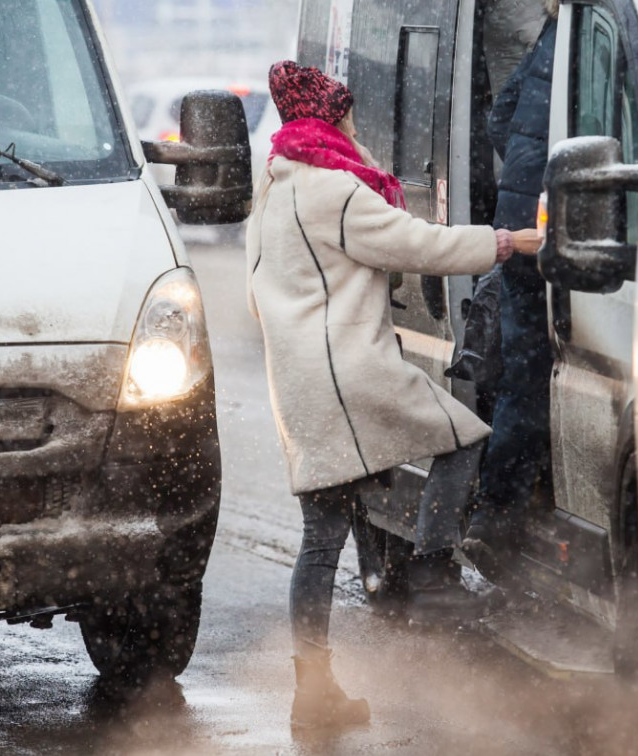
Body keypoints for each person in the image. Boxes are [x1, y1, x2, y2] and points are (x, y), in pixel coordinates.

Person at [246, 61, 540, 730]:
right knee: (462, 437)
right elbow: (414, 244)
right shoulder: (332, 187)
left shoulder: (275, 185)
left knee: (321, 540)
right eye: (345, 109)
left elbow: (257, 295)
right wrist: (500, 242)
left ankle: (313, 690)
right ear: (330, 115)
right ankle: (432, 572)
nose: (354, 120)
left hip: (301, 381)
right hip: (350, 373)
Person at [463, 0, 560, 566]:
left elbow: (500, 117)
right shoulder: (589, 36)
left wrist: (524, 175)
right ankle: (504, 515)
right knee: (539, 377)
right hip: (552, 229)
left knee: (522, 375)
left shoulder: (552, 35)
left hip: (522, 221)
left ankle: (497, 512)